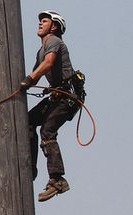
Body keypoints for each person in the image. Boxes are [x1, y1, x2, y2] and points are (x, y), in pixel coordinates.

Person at [19, 10, 84, 202]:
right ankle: (29, 167)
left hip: (67, 97)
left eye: (44, 21)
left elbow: (47, 64)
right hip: (58, 96)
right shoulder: (42, 49)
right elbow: (37, 70)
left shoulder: (54, 41)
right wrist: (26, 81)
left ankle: (57, 179)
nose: (40, 23)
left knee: (47, 132)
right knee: (28, 121)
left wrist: (29, 79)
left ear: (54, 26)